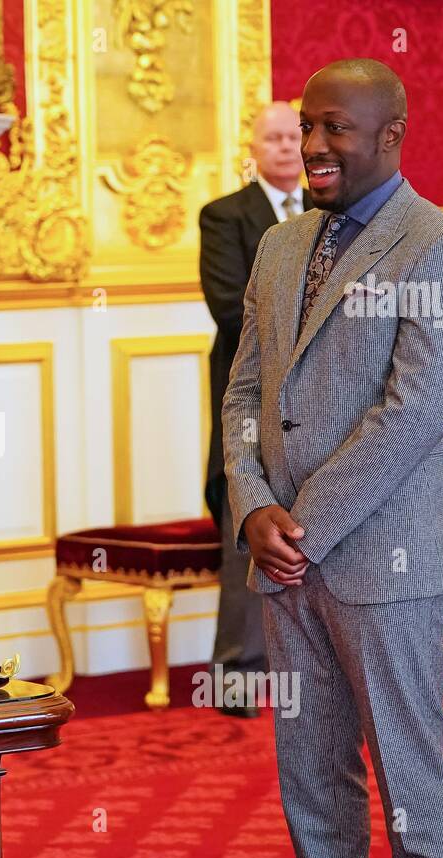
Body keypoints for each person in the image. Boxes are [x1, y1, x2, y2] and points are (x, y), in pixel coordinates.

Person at [221, 59, 443, 858]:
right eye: (307, 126)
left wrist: (300, 525)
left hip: (387, 559)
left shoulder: (440, 247)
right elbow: (241, 397)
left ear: (390, 136)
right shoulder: (278, 245)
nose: (312, 144)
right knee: (310, 774)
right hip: (286, 559)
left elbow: (414, 415)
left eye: (334, 127)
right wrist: (250, 504)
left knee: (410, 774)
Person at [199, 102, 304, 717]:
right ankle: (236, 680)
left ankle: (312, 675)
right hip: (247, 407)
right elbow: (231, 310)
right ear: (255, 146)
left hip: (317, 411)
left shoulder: (332, 215)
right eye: (274, 137)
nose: (287, 147)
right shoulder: (225, 216)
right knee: (245, 538)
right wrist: (313, 334)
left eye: (295, 135)